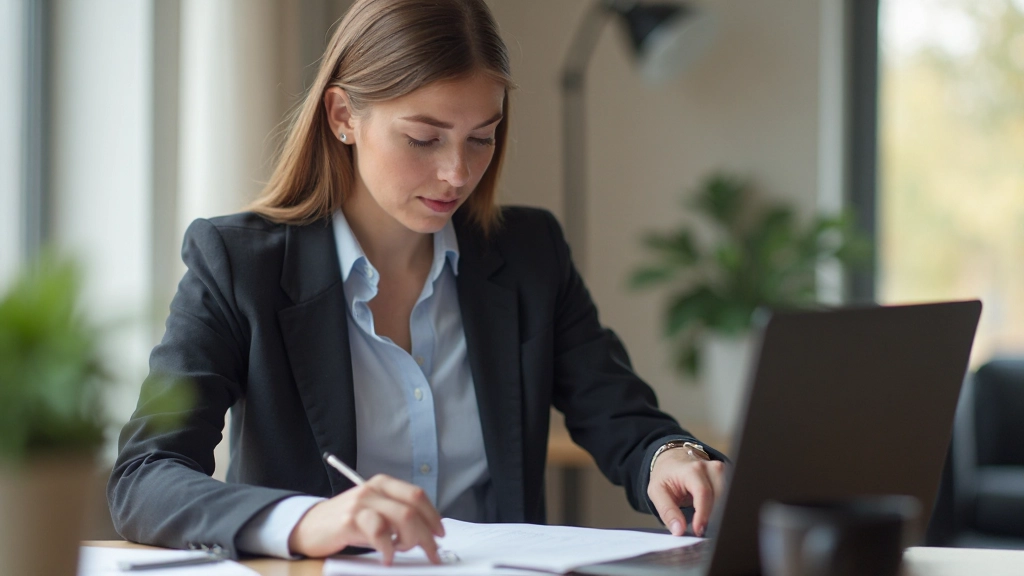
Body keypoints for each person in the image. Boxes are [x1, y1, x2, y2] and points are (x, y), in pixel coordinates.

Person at [108, 0, 728, 564]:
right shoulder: (239, 264)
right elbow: (145, 475)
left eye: (481, 138)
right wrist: (308, 520)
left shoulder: (529, 255)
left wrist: (668, 455)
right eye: (423, 138)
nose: (457, 173)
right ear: (343, 116)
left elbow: (622, 416)